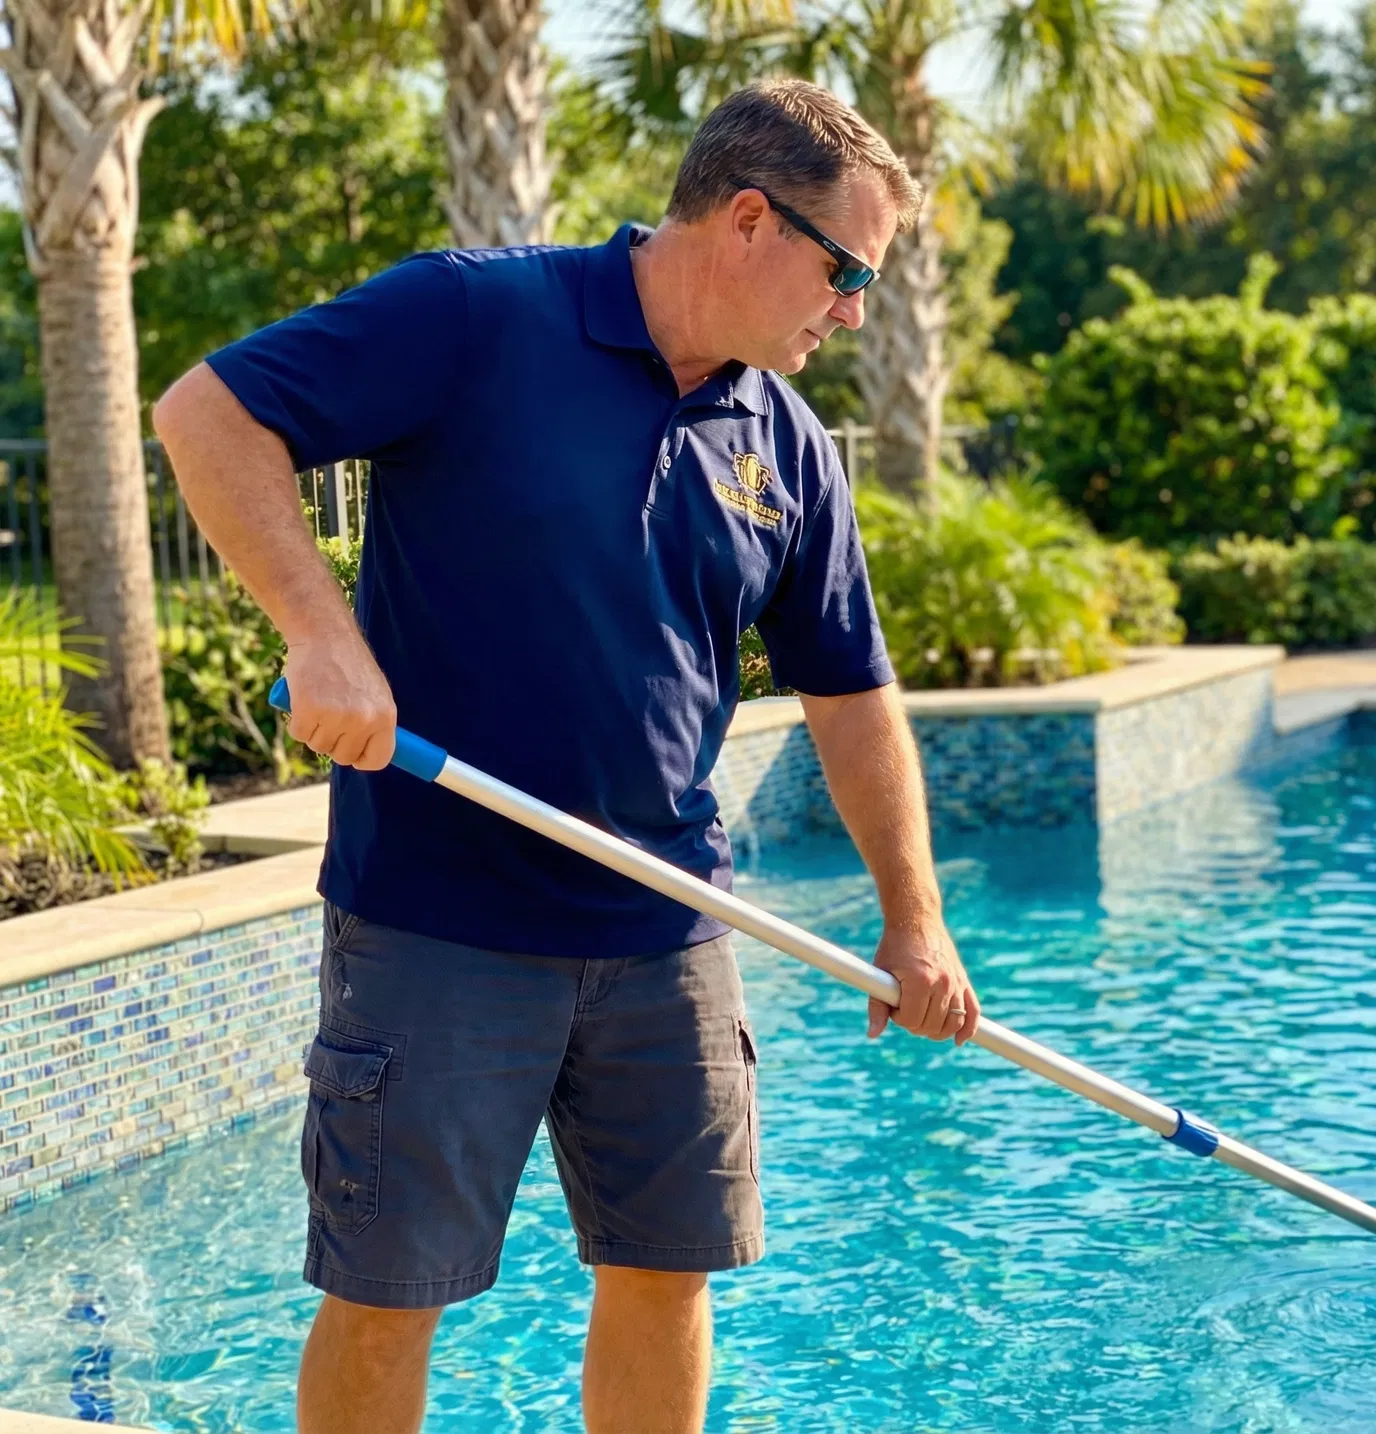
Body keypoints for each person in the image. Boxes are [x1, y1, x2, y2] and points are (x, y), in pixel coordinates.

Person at [152, 78, 979, 1434]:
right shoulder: (477, 316)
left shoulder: (785, 442)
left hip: (668, 922)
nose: (854, 313)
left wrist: (916, 915)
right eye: (848, 272)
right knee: (387, 1292)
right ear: (751, 221)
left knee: (669, 1273)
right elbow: (207, 414)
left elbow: (850, 692)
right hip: (440, 920)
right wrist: (323, 635)